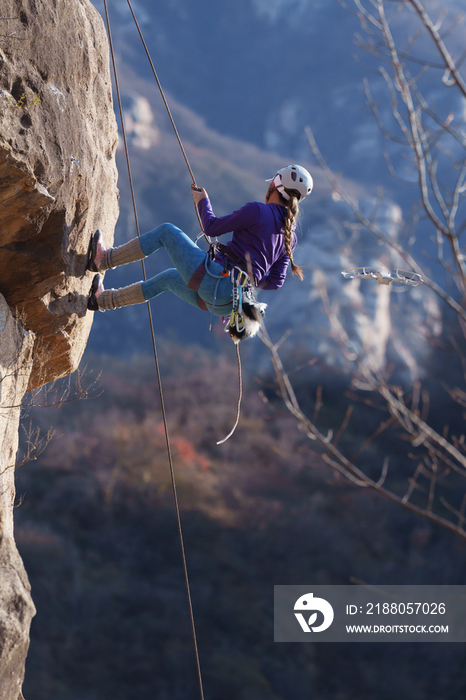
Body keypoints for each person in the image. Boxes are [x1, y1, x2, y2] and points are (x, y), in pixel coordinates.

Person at [87, 164, 313, 338]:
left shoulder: (258, 211)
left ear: (273, 186)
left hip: (216, 281)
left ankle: (103, 259)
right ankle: (103, 300)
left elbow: (211, 227)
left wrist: (203, 201)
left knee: (167, 232)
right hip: (225, 303)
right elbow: (275, 282)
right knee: (167, 279)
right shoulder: (289, 237)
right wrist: (245, 278)